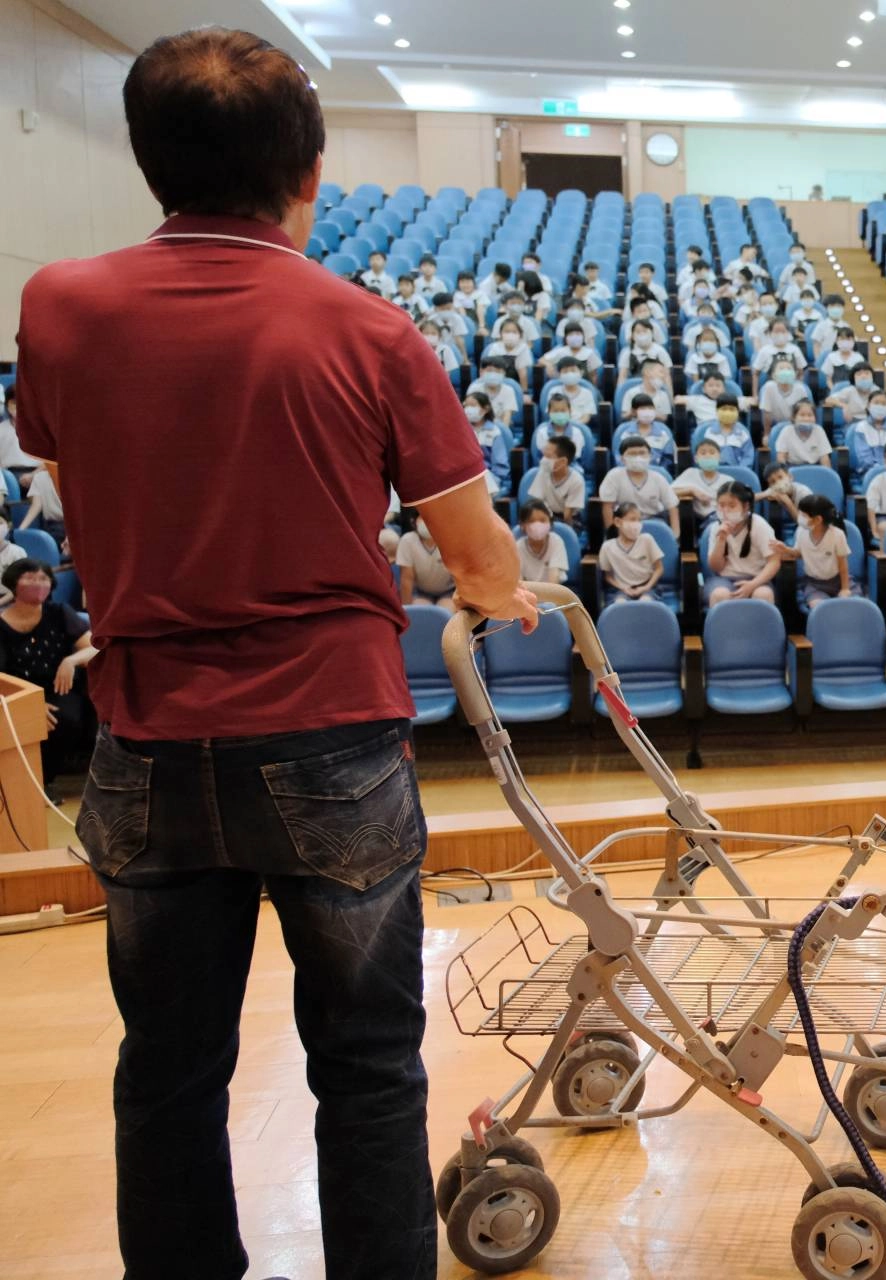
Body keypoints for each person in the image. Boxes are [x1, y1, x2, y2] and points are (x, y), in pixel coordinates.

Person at [14, 28, 540, 1280]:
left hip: (146, 733)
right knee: (365, 1063)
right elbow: (476, 555)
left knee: (169, 1068)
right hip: (330, 739)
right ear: (309, 172)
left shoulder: (57, 304)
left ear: (149, 164)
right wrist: (499, 589)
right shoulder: (368, 330)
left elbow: (70, 459)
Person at [0, 557, 95, 787]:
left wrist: (71, 661)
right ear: (14, 583)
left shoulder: (59, 612)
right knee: (33, 720)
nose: (38, 583)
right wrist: (28, 704)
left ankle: (44, 781)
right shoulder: (1, 624)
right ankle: (26, 784)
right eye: (30, 577)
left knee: (65, 718)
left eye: (43, 578)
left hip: (58, 686)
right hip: (14, 693)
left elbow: (95, 648)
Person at [704, 481, 778, 605]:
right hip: (724, 580)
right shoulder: (716, 527)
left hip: (757, 579)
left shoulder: (760, 525)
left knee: (763, 595)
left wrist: (753, 584)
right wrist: (721, 540)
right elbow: (716, 567)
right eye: (721, 505)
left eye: (732, 506)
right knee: (720, 595)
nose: (725, 510)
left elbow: (774, 561)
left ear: (745, 507)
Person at [786, 493, 857, 610]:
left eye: (804, 515)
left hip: (838, 581)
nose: (800, 517)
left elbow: (843, 564)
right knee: (821, 609)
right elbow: (799, 554)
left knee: (849, 607)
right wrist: (786, 550)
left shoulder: (837, 535)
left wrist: (845, 589)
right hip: (814, 584)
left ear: (818, 519)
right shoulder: (800, 531)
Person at [599, 502, 664, 603]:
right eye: (632, 519)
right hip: (622, 589)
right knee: (620, 604)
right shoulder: (607, 547)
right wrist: (623, 588)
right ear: (617, 522)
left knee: (645, 603)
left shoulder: (647, 539)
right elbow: (608, 577)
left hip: (647, 587)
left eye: (639, 520)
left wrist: (646, 587)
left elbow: (659, 568)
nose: (637, 524)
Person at [393, 514, 454, 607]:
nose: (428, 521)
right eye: (423, 517)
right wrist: (407, 612)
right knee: (422, 614)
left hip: (449, 593)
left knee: (447, 613)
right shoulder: (407, 541)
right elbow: (407, 580)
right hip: (421, 593)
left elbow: (461, 576)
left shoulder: (452, 539)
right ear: (413, 522)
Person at [515, 499, 568, 584]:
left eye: (542, 520)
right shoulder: (518, 547)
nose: (537, 525)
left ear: (550, 523)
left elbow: (554, 580)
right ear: (522, 525)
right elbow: (519, 581)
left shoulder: (556, 542)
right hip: (528, 594)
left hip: (554, 593)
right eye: (531, 521)